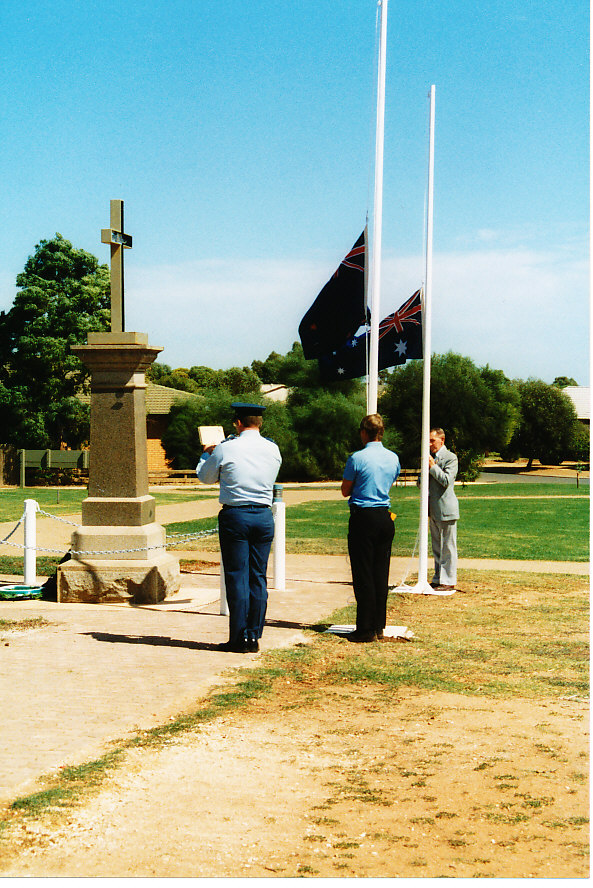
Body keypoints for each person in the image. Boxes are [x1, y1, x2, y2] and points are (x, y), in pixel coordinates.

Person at [196, 402, 282, 653]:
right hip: (263, 514)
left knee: (237, 576)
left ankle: (237, 637)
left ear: (238, 422)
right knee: (258, 577)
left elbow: (205, 477)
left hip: (236, 514)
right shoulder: (273, 448)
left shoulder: (226, 448)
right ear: (260, 423)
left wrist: (207, 454)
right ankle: (253, 635)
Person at [341, 414, 400, 642]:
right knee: (380, 573)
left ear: (364, 432)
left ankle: (365, 628)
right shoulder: (393, 458)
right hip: (384, 515)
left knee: (363, 572)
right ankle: (378, 625)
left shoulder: (357, 458)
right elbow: (390, 481)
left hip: (363, 516)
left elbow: (345, 490)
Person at [428, 427, 459, 592]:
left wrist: (433, 467)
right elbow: (421, 483)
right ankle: (438, 578)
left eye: (432, 440)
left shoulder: (450, 458)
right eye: (428, 441)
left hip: (446, 509)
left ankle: (448, 580)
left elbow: (446, 480)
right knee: (437, 547)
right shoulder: (429, 458)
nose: (429, 444)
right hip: (433, 509)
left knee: (448, 547)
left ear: (442, 440)